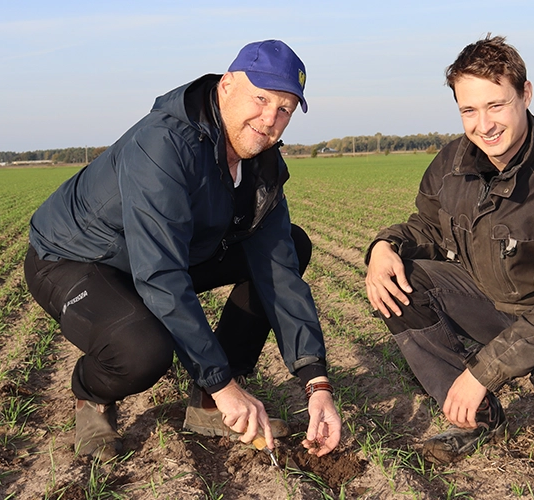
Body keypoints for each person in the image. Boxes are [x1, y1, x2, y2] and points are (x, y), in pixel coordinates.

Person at [24, 39, 342, 460]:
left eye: (284, 108)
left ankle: (210, 404)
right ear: (226, 85)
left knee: (291, 245)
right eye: (261, 98)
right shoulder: (163, 143)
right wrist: (222, 382)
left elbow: (279, 271)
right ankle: (91, 392)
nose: (269, 120)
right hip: (78, 257)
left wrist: (316, 383)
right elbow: (161, 274)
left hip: (163, 256)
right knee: (142, 350)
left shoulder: (261, 163)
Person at [364, 35, 534, 464]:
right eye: (469, 110)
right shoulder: (449, 165)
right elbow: (428, 228)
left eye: (496, 105)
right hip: (491, 304)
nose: (484, 124)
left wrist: (482, 371)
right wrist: (384, 246)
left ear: (525, 94)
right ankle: (477, 419)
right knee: (399, 281)